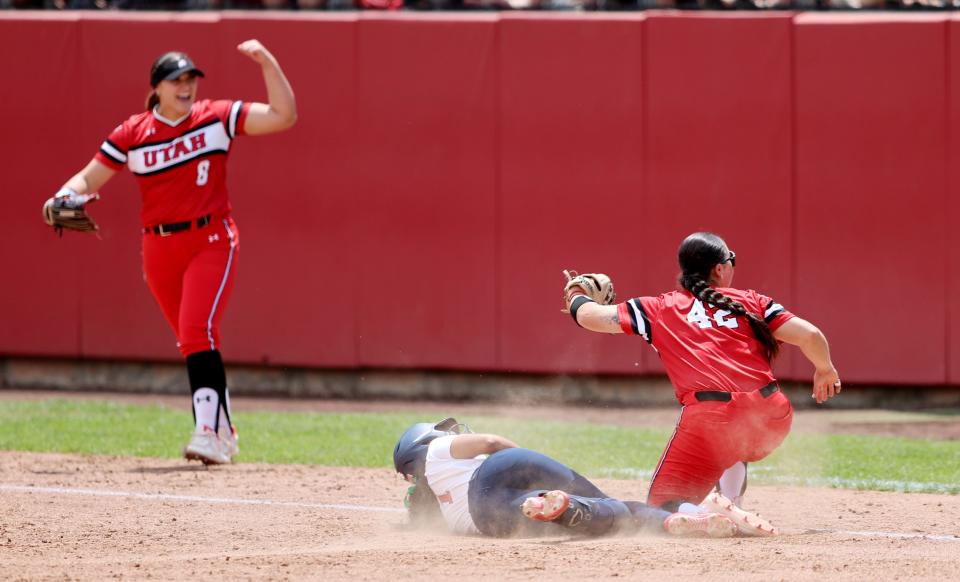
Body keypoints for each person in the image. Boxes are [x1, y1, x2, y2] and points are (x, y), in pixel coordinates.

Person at [46, 40, 297, 464]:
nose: (186, 87)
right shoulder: (133, 132)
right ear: (157, 88)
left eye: (190, 79)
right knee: (191, 340)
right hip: (158, 245)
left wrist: (268, 62)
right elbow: (90, 178)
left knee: (197, 330)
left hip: (211, 239)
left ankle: (207, 433)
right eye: (176, 80)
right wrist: (62, 194)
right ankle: (224, 431)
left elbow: (283, 116)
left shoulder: (214, 118)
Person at [562, 232, 841, 534]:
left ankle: (703, 511)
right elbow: (811, 335)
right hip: (771, 415)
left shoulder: (660, 308)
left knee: (660, 509)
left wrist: (577, 292)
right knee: (734, 440)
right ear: (719, 269)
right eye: (730, 260)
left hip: (712, 419)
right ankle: (732, 503)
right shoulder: (752, 301)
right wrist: (825, 369)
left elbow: (589, 316)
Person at [393, 418, 742, 539]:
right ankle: (676, 516)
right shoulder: (437, 450)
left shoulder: (443, 510)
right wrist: (523, 460)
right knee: (614, 505)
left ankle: (565, 508)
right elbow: (491, 443)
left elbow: (418, 508)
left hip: (488, 518)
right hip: (496, 471)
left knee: (546, 509)